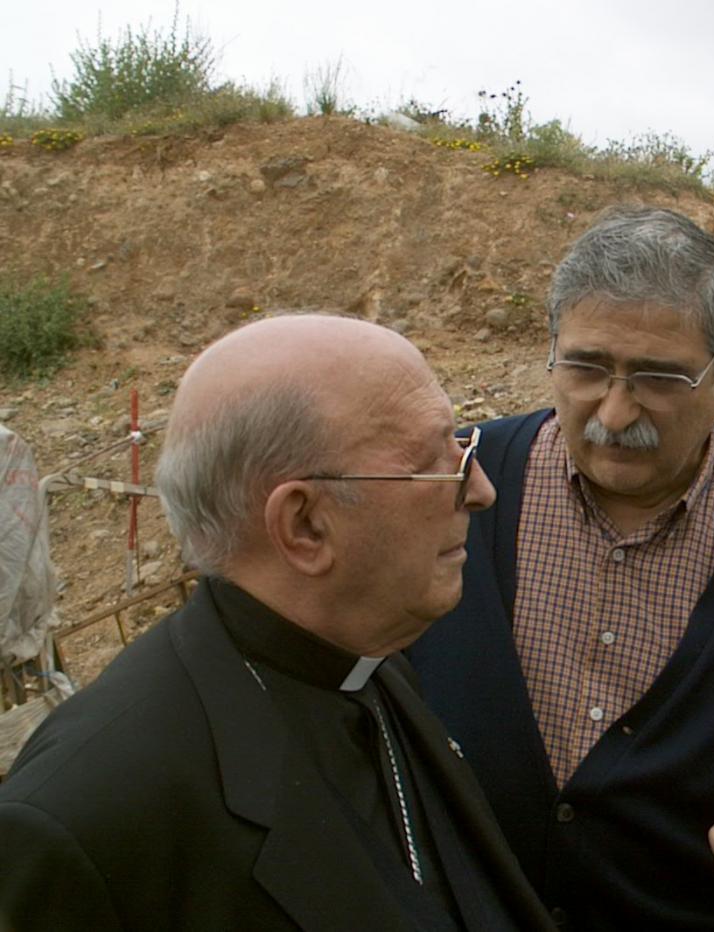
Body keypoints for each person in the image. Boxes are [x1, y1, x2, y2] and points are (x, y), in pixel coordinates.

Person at [408, 205, 714, 930]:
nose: (614, 414)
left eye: (657, 378)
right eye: (586, 368)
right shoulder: (449, 490)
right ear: (552, 345)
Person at [0, 315, 555, 932]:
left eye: (465, 447)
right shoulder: (91, 815)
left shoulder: (369, 665)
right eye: (437, 461)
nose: (481, 489)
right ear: (305, 526)